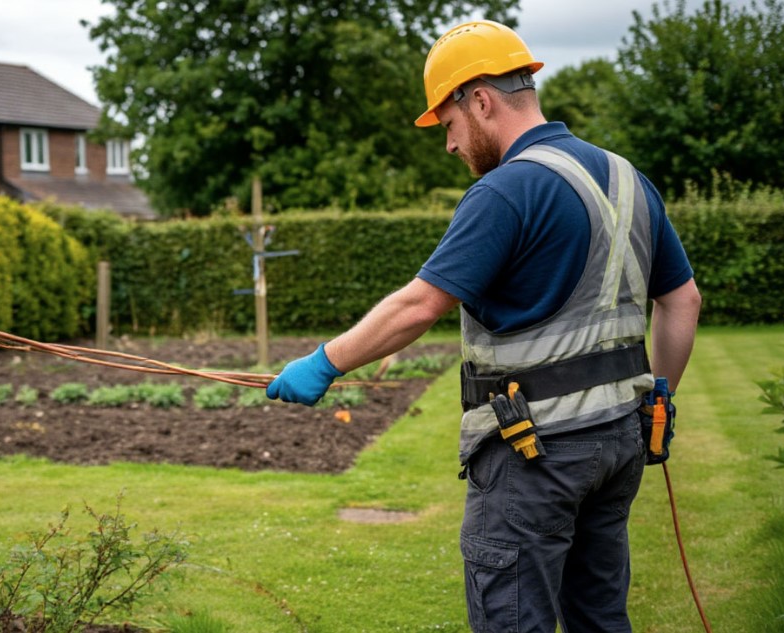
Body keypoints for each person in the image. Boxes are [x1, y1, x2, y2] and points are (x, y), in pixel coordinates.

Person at [267, 18, 701, 633]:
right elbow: (683, 299)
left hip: (536, 453)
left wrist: (324, 362)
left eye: (447, 125)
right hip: (618, 440)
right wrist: (662, 395)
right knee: (600, 618)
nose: (448, 145)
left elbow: (420, 305)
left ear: (480, 99)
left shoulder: (507, 190)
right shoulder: (629, 179)